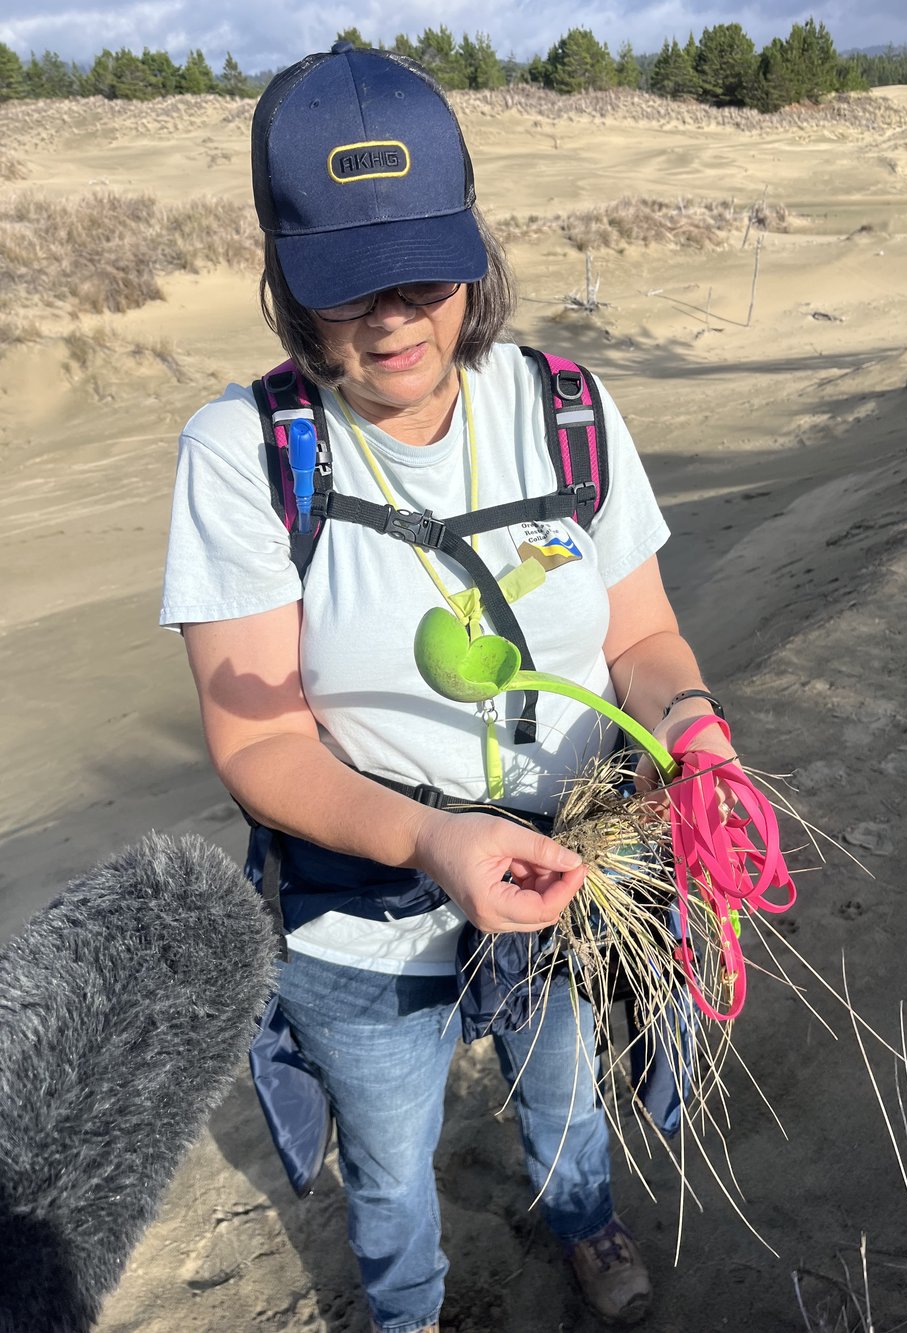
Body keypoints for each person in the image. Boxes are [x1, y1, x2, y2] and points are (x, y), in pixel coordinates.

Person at [161, 42, 736, 1333]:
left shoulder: (572, 411)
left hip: (569, 865)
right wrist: (430, 836)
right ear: (285, 280)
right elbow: (257, 741)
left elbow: (644, 638)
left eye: (425, 273)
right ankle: (411, 1304)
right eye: (345, 288)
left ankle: (584, 1222)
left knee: (566, 1082)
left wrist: (694, 731)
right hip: (360, 909)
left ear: (475, 248)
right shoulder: (247, 454)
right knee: (389, 1147)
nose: (394, 318)